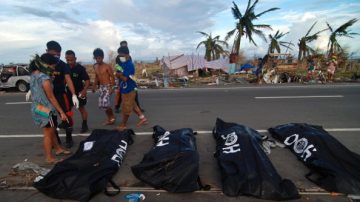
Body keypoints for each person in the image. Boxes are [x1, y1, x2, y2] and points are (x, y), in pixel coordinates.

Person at [29, 53, 71, 164]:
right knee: (49, 132)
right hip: (46, 109)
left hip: (37, 107)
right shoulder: (44, 78)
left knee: (51, 129)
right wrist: (62, 112)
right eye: (53, 65)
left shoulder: (34, 74)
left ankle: (58, 149)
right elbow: (51, 97)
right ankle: (49, 158)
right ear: (47, 65)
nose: (54, 68)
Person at [46, 41, 79, 149]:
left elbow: (68, 79)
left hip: (60, 94)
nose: (57, 57)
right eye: (54, 54)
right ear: (47, 52)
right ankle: (56, 141)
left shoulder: (62, 65)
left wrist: (74, 94)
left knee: (67, 117)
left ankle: (69, 138)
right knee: (51, 120)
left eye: (59, 55)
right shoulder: (42, 63)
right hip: (47, 96)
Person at [116, 46, 147, 130]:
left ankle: (123, 124)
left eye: (121, 55)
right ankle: (143, 118)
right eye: (119, 56)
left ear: (127, 55)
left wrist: (119, 75)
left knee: (127, 108)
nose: (120, 57)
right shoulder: (123, 63)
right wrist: (119, 74)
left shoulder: (130, 65)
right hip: (124, 88)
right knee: (133, 105)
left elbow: (125, 78)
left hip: (129, 89)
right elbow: (118, 73)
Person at [114, 41, 144, 113]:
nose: (125, 46)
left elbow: (130, 67)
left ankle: (138, 108)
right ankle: (117, 107)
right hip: (123, 75)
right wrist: (121, 73)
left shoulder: (128, 57)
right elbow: (118, 66)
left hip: (130, 76)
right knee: (121, 92)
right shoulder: (119, 57)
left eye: (126, 45)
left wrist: (134, 79)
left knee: (134, 91)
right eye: (123, 46)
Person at [65, 50, 90, 133]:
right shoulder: (65, 67)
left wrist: (84, 90)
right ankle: (70, 124)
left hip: (79, 93)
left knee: (81, 109)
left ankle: (85, 124)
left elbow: (87, 81)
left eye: (71, 60)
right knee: (68, 110)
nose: (70, 62)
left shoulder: (80, 68)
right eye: (68, 60)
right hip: (69, 93)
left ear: (75, 58)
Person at [91, 48, 116, 125]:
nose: (98, 60)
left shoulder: (107, 66)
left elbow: (112, 77)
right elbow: (97, 77)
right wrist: (94, 86)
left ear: (102, 57)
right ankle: (111, 118)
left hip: (108, 87)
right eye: (96, 58)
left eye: (99, 58)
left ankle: (111, 118)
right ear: (94, 58)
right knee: (103, 105)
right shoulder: (95, 66)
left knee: (105, 104)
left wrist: (112, 87)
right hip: (101, 87)